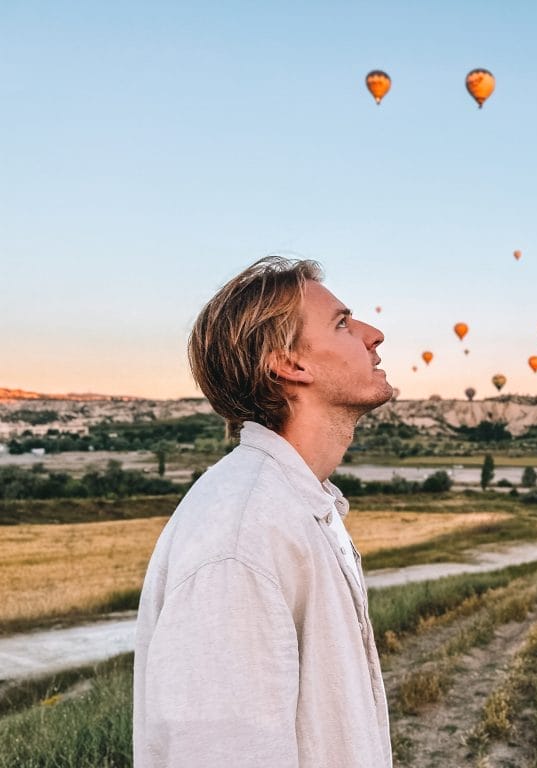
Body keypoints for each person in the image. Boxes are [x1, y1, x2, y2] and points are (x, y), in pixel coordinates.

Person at [133, 256, 394, 767]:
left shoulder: (295, 507)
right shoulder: (242, 536)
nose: (374, 334)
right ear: (290, 364)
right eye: (342, 323)